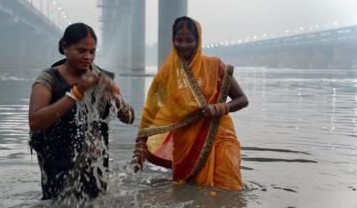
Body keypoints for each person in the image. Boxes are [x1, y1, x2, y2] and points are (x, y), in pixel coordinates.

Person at [131, 16, 248, 191]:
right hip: (185, 142)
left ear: (198, 41)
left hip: (220, 136)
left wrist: (218, 108)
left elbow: (242, 99)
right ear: (173, 40)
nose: (183, 45)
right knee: (187, 189)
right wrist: (140, 147)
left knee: (229, 192)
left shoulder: (215, 66)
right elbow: (150, 113)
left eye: (189, 40)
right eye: (179, 40)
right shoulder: (167, 74)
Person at [28, 23, 135, 200]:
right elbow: (35, 122)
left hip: (95, 164)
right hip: (57, 163)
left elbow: (129, 118)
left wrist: (115, 96)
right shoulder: (48, 79)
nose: (88, 57)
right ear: (65, 47)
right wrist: (77, 92)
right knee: (57, 201)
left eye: (92, 52)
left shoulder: (100, 77)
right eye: (81, 51)